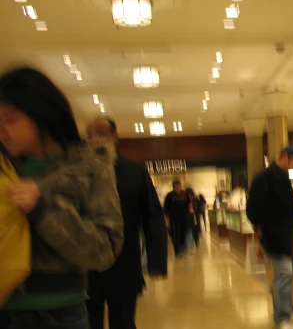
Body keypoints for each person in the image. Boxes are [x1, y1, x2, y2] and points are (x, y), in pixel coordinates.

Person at [0, 67, 123, 329]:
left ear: (39, 112)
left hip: (57, 314)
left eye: (10, 119)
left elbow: (104, 249)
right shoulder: (4, 169)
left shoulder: (88, 167)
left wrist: (42, 210)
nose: (2, 130)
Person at [85, 116, 168, 329]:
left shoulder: (134, 172)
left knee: (122, 320)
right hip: (85, 264)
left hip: (124, 261)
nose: (95, 139)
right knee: (87, 321)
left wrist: (156, 260)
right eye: (90, 134)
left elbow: (152, 216)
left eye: (101, 133)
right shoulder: (78, 173)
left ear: (115, 136)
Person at [246, 145, 293, 329]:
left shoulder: (284, 179)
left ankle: (282, 316)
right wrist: (258, 226)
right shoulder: (264, 177)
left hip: (289, 237)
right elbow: (252, 207)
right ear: (285, 157)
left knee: (287, 274)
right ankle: (282, 318)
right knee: (284, 273)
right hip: (275, 237)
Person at [163, 180, 191, 257]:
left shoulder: (185, 194)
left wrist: (190, 211)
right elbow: (166, 208)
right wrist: (167, 218)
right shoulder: (169, 196)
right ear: (174, 187)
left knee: (183, 233)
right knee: (175, 235)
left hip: (184, 218)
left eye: (179, 186)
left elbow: (190, 203)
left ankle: (182, 248)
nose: (179, 188)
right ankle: (177, 251)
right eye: (177, 186)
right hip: (174, 220)